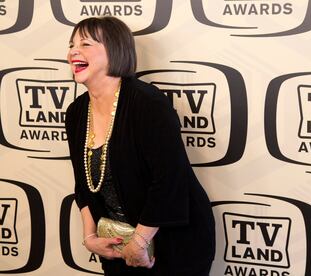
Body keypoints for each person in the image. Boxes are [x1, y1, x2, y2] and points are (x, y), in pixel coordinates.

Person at [65, 16, 215, 276]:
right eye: (71, 45)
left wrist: (140, 241)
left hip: (174, 245)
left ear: (115, 50)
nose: (73, 51)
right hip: (118, 244)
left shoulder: (147, 103)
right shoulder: (76, 112)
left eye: (86, 44)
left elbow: (170, 181)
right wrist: (89, 237)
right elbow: (83, 185)